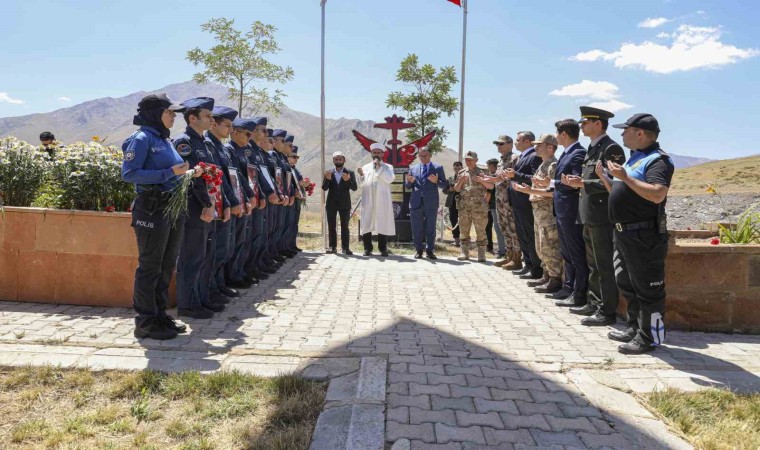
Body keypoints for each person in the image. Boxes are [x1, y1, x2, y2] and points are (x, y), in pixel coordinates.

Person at [121, 93, 199, 340]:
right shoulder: (142, 138)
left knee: (166, 266)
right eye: (170, 112)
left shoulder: (165, 140)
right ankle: (145, 321)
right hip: (151, 209)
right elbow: (130, 174)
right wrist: (169, 172)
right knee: (150, 266)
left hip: (171, 209)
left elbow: (173, 172)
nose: (174, 117)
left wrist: (187, 174)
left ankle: (159, 314)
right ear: (155, 114)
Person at [598, 113, 674, 354]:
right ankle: (634, 328)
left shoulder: (657, 161)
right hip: (623, 234)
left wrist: (625, 177)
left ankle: (650, 338)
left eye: (626, 130)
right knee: (628, 285)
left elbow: (657, 194)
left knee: (648, 290)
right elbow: (624, 191)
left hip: (644, 236)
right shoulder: (635, 159)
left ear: (640, 133)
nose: (622, 134)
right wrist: (607, 180)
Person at [562, 106, 626, 325]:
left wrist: (584, 183)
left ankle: (607, 311)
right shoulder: (592, 148)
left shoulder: (611, 149)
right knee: (593, 264)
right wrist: (578, 183)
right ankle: (593, 302)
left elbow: (616, 182)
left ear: (598, 123)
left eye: (585, 122)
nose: (582, 126)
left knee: (604, 265)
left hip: (602, 215)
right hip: (588, 213)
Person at [173, 97, 226, 320]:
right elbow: (192, 177)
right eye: (207, 116)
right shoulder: (184, 142)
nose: (211, 119)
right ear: (192, 118)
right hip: (193, 206)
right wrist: (205, 203)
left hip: (207, 205)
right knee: (191, 257)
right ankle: (187, 304)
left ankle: (200, 298)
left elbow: (211, 176)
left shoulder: (203, 142)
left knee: (203, 255)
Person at [512, 135, 563, 294]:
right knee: (541, 247)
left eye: (539, 145)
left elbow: (553, 192)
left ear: (550, 147)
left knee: (550, 247)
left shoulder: (553, 165)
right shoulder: (542, 165)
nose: (536, 148)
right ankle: (547, 274)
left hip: (548, 213)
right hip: (538, 212)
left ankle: (555, 279)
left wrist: (529, 190)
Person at [545, 119, 588, 304]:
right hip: (562, 210)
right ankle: (568, 287)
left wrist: (554, 183)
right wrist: (549, 184)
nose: (555, 137)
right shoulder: (566, 153)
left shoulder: (578, 153)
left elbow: (577, 181)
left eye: (557, 133)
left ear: (564, 134)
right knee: (567, 252)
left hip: (571, 210)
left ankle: (579, 293)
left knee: (576, 253)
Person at [503, 132, 543, 277]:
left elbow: (535, 178)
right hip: (517, 203)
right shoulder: (522, 157)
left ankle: (536, 268)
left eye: (518, 140)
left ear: (527, 141)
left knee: (530, 236)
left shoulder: (534, 156)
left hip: (526, 202)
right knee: (522, 236)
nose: (515, 143)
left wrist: (516, 175)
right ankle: (528, 264)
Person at [225, 117, 258, 290]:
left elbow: (246, 178)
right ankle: (231, 276)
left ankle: (238, 272)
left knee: (242, 239)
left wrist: (249, 196)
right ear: (235, 132)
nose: (249, 138)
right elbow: (233, 178)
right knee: (235, 240)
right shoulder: (229, 150)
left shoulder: (242, 151)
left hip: (243, 200)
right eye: (247, 134)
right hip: (236, 200)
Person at [405, 146, 448, 259]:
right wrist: (409, 182)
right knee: (416, 227)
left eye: (425, 155)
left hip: (431, 203)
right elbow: (408, 186)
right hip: (416, 202)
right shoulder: (413, 169)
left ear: (430, 155)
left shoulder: (438, 168)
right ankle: (418, 250)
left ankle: (429, 250)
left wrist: (436, 181)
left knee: (430, 227)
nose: (422, 158)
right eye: (420, 156)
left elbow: (444, 185)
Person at [485, 135, 521, 269]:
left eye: (501, 144)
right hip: (500, 199)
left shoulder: (515, 159)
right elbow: (497, 178)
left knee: (513, 229)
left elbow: (513, 178)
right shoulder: (501, 161)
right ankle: (508, 256)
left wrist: (493, 179)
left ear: (510, 145)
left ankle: (517, 259)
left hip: (510, 200)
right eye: (497, 144)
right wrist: (487, 178)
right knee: (504, 228)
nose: (498, 147)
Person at [452, 151, 494, 262]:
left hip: (479, 206)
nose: (468, 161)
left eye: (470, 159)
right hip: (464, 206)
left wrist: (481, 180)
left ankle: (481, 254)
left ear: (476, 160)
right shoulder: (461, 172)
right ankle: (464, 252)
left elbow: (491, 186)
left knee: (480, 230)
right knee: (464, 230)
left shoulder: (483, 171)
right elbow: (456, 189)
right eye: (466, 159)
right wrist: (460, 182)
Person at [357, 143, 396, 256]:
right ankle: (367, 248)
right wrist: (361, 176)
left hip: (382, 199)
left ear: (383, 154)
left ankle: (383, 248)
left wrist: (379, 168)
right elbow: (362, 184)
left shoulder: (388, 167)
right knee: (367, 221)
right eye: (374, 152)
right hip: (368, 199)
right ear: (371, 154)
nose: (376, 154)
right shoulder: (365, 167)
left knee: (382, 221)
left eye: (379, 152)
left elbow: (389, 179)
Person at [323, 151, 357, 254]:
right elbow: (324, 188)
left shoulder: (350, 172)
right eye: (336, 159)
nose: (338, 161)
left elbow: (354, 187)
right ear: (333, 160)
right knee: (331, 226)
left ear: (344, 160)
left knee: (345, 226)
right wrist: (328, 180)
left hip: (344, 203)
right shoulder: (329, 172)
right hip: (331, 204)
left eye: (340, 159)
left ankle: (345, 248)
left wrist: (347, 180)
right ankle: (332, 247)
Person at [485, 158, 505, 257]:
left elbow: (489, 192)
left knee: (498, 228)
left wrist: (485, 204)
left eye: (489, 167)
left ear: (492, 167)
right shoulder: (497, 177)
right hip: (500, 204)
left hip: (494, 205)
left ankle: (502, 251)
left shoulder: (493, 178)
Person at [288, 146, 306, 254]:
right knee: (288, 224)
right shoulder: (287, 168)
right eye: (293, 157)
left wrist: (305, 184)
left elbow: (299, 183)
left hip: (296, 199)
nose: (295, 159)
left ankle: (292, 244)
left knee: (294, 223)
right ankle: (286, 246)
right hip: (290, 198)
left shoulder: (295, 170)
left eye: (297, 157)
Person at [442, 161, 463, 247]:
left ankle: (464, 240)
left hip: (464, 203)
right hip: (452, 203)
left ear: (462, 168)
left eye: (458, 168)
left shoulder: (465, 178)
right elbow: (444, 190)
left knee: (464, 221)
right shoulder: (450, 179)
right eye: (455, 168)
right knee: (453, 221)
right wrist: (449, 190)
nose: (457, 170)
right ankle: (457, 240)